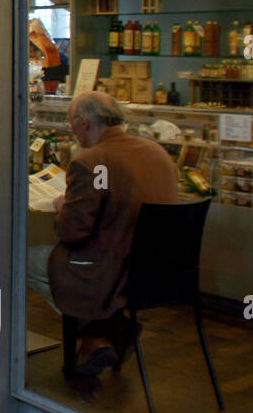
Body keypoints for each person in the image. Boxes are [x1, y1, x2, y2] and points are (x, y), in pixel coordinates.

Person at [27, 91, 179, 383]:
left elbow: (71, 233)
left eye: (71, 122)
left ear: (84, 123)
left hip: (108, 272)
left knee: (23, 259)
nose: (71, 128)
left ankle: (97, 335)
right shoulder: (158, 153)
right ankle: (110, 330)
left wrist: (61, 206)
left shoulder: (91, 162)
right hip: (157, 273)